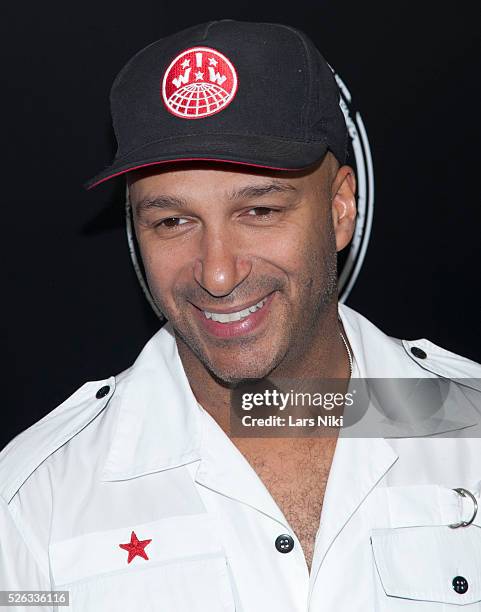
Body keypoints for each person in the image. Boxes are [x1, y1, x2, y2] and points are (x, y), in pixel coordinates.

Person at [1, 19, 480, 612]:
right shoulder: (31, 501)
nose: (217, 273)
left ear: (340, 209)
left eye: (258, 210)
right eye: (172, 221)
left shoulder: (470, 426)